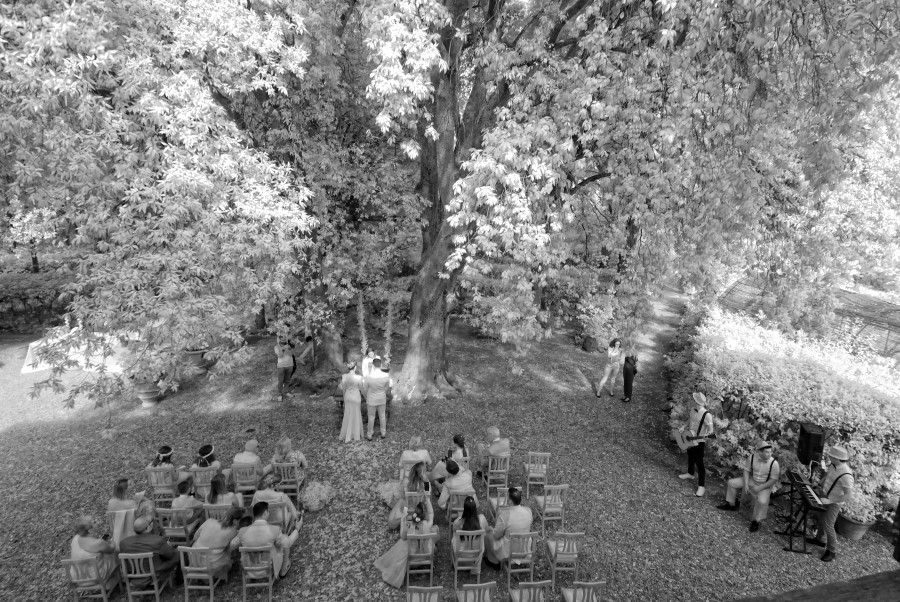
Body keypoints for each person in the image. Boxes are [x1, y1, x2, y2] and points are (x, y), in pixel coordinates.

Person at [717, 442, 781, 532]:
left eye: (770, 452)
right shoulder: (752, 457)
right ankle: (731, 505)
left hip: (765, 485)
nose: (769, 454)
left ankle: (756, 521)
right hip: (752, 480)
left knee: (761, 501)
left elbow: (773, 480)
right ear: (760, 452)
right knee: (731, 483)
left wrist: (760, 487)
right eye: (767, 452)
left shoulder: (774, 464)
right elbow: (746, 471)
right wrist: (746, 485)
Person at [373, 501, 439, 588]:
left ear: (415, 514)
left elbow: (402, 537)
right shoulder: (427, 525)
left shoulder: (409, 528)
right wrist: (427, 498)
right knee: (435, 529)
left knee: (402, 543)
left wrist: (403, 519)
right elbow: (431, 514)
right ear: (424, 517)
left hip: (412, 556)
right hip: (426, 555)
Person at [806, 445, 855, 562]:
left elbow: (848, 495)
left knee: (828, 525)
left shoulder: (847, 476)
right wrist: (818, 483)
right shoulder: (834, 465)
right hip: (825, 496)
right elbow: (828, 477)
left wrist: (830, 501)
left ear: (838, 459)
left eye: (831, 456)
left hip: (834, 503)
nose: (829, 457)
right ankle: (819, 540)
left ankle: (832, 551)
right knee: (821, 518)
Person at [231, 502, 301, 579]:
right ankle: (283, 570)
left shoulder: (242, 531)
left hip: (248, 568)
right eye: (268, 512)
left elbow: (232, 545)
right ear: (265, 513)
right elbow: (288, 543)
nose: (268, 514)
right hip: (268, 568)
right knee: (282, 541)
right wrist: (297, 529)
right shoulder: (274, 529)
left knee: (278, 542)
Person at [119, 516, 179, 587]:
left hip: (132, 575)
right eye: (150, 523)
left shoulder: (124, 543)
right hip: (154, 574)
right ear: (147, 527)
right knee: (176, 553)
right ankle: (179, 579)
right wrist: (169, 546)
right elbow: (170, 554)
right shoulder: (158, 540)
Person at [484, 487, 533, 568]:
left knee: (489, 533)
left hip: (509, 550)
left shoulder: (505, 515)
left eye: (506, 497)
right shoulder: (528, 511)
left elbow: (496, 535)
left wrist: (492, 530)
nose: (505, 499)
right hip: (524, 548)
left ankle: (494, 561)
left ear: (510, 501)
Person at [191, 507, 244, 579]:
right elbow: (228, 550)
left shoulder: (209, 521)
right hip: (211, 564)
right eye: (241, 520)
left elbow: (195, 537)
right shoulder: (233, 532)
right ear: (235, 521)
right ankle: (219, 574)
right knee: (226, 554)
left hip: (194, 558)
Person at [678, 392, 714, 497]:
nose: (693, 401)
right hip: (690, 436)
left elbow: (711, 429)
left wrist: (707, 434)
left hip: (700, 441)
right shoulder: (693, 410)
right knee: (690, 455)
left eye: (694, 399)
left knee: (700, 463)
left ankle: (701, 486)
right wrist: (683, 427)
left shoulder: (707, 415)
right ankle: (690, 473)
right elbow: (689, 420)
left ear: (697, 401)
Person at [69, 516, 118, 585]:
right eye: (94, 522)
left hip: (77, 577)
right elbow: (111, 549)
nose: (96, 523)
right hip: (95, 577)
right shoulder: (98, 543)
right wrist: (113, 541)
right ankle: (114, 581)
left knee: (100, 555)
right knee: (112, 554)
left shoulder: (75, 539)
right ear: (90, 530)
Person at [388, 461, 433, 529]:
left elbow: (402, 496)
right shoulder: (427, 483)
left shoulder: (406, 481)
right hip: (421, 510)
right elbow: (428, 496)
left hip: (407, 509)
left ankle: (402, 521)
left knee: (391, 521)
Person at [451, 495, 489, 574]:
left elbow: (454, 530)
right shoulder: (482, 519)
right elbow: (487, 530)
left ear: (464, 509)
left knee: (454, 535)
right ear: (475, 508)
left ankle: (455, 562)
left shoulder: (458, 522)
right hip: (476, 554)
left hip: (461, 554)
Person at [364, 357, 392, 440]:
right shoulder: (386, 375)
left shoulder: (369, 377)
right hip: (381, 398)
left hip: (371, 398)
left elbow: (365, 388)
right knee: (382, 416)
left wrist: (367, 395)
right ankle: (383, 432)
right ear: (381, 365)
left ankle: (369, 434)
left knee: (371, 417)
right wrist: (383, 391)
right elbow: (387, 387)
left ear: (373, 365)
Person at [339, 361, 364, 442]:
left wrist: (344, 398)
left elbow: (343, 389)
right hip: (356, 396)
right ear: (355, 367)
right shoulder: (359, 377)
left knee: (347, 413)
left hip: (348, 396)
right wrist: (365, 396)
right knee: (356, 414)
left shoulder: (344, 376)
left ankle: (346, 433)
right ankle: (356, 434)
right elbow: (361, 388)